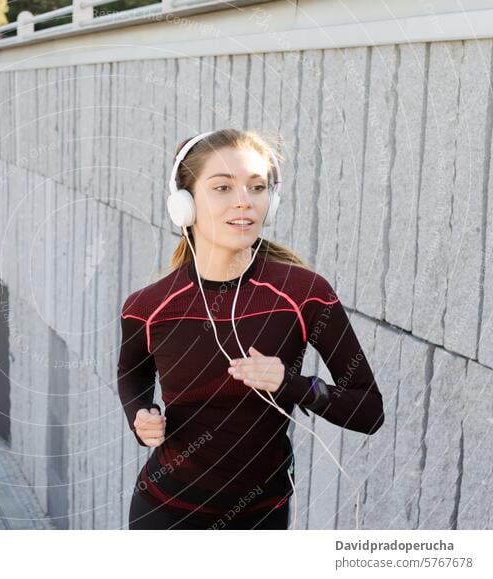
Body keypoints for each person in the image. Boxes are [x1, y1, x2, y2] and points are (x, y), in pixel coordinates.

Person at [118, 128, 385, 530]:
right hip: (163, 513)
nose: (244, 200)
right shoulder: (148, 307)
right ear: (184, 205)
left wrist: (292, 383)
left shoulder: (305, 294)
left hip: (262, 519)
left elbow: (369, 411)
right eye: (222, 187)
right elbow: (132, 372)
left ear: (270, 201)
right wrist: (140, 415)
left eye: (257, 187)